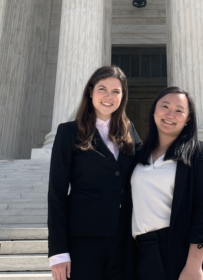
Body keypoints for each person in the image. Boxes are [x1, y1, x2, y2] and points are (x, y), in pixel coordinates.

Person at [48, 66, 142, 280]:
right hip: (83, 238)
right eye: (103, 89)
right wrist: (58, 251)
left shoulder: (129, 131)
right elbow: (56, 193)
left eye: (116, 91)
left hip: (123, 238)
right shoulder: (68, 132)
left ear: (123, 96)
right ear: (90, 91)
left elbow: (147, 166)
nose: (109, 97)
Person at [130, 87, 203, 280]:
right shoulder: (137, 156)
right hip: (143, 253)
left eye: (179, 110)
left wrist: (193, 265)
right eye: (165, 107)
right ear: (153, 111)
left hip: (183, 251)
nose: (170, 114)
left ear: (188, 119)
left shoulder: (201, 153)